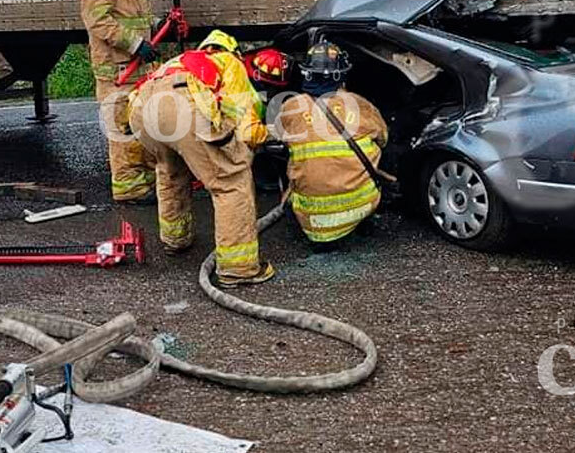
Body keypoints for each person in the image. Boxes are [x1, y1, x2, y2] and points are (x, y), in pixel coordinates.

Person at [128, 30, 275, 288]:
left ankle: (175, 240)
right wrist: (269, 135)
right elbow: (248, 129)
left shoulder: (179, 60)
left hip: (141, 108)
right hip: (182, 104)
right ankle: (238, 269)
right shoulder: (229, 63)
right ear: (233, 52)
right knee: (231, 180)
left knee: (170, 170)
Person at [274, 40, 388, 244]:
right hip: (362, 204)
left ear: (306, 73)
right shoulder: (359, 105)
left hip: (311, 219)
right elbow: (383, 138)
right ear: (342, 75)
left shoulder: (291, 107)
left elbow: (278, 138)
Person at [80, 0, 158, 203]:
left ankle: (146, 183)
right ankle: (129, 189)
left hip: (137, 69)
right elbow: (98, 22)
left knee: (141, 127)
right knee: (122, 132)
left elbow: (132, 16)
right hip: (117, 72)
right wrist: (136, 44)